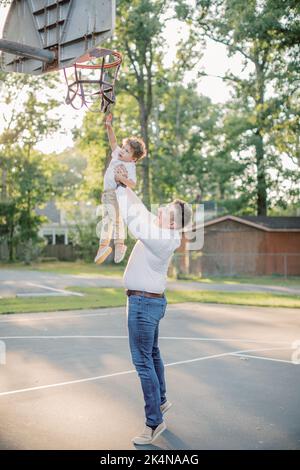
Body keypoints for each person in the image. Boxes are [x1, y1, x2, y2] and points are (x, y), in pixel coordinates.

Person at [114, 170, 193, 445]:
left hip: (143, 304)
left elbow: (134, 222)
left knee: (143, 362)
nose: (159, 210)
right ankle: (160, 402)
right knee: (153, 354)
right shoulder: (161, 229)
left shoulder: (163, 238)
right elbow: (140, 208)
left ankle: (153, 423)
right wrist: (123, 185)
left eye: (166, 211)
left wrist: (120, 190)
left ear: (173, 222)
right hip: (149, 302)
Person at [94, 113, 146, 264]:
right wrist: (109, 127)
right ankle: (118, 246)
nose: (123, 151)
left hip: (116, 194)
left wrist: (120, 178)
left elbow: (133, 183)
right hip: (107, 193)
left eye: (127, 151)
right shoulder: (117, 155)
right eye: (124, 148)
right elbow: (113, 141)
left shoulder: (130, 166)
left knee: (111, 220)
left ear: (134, 158)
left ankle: (108, 246)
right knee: (113, 220)